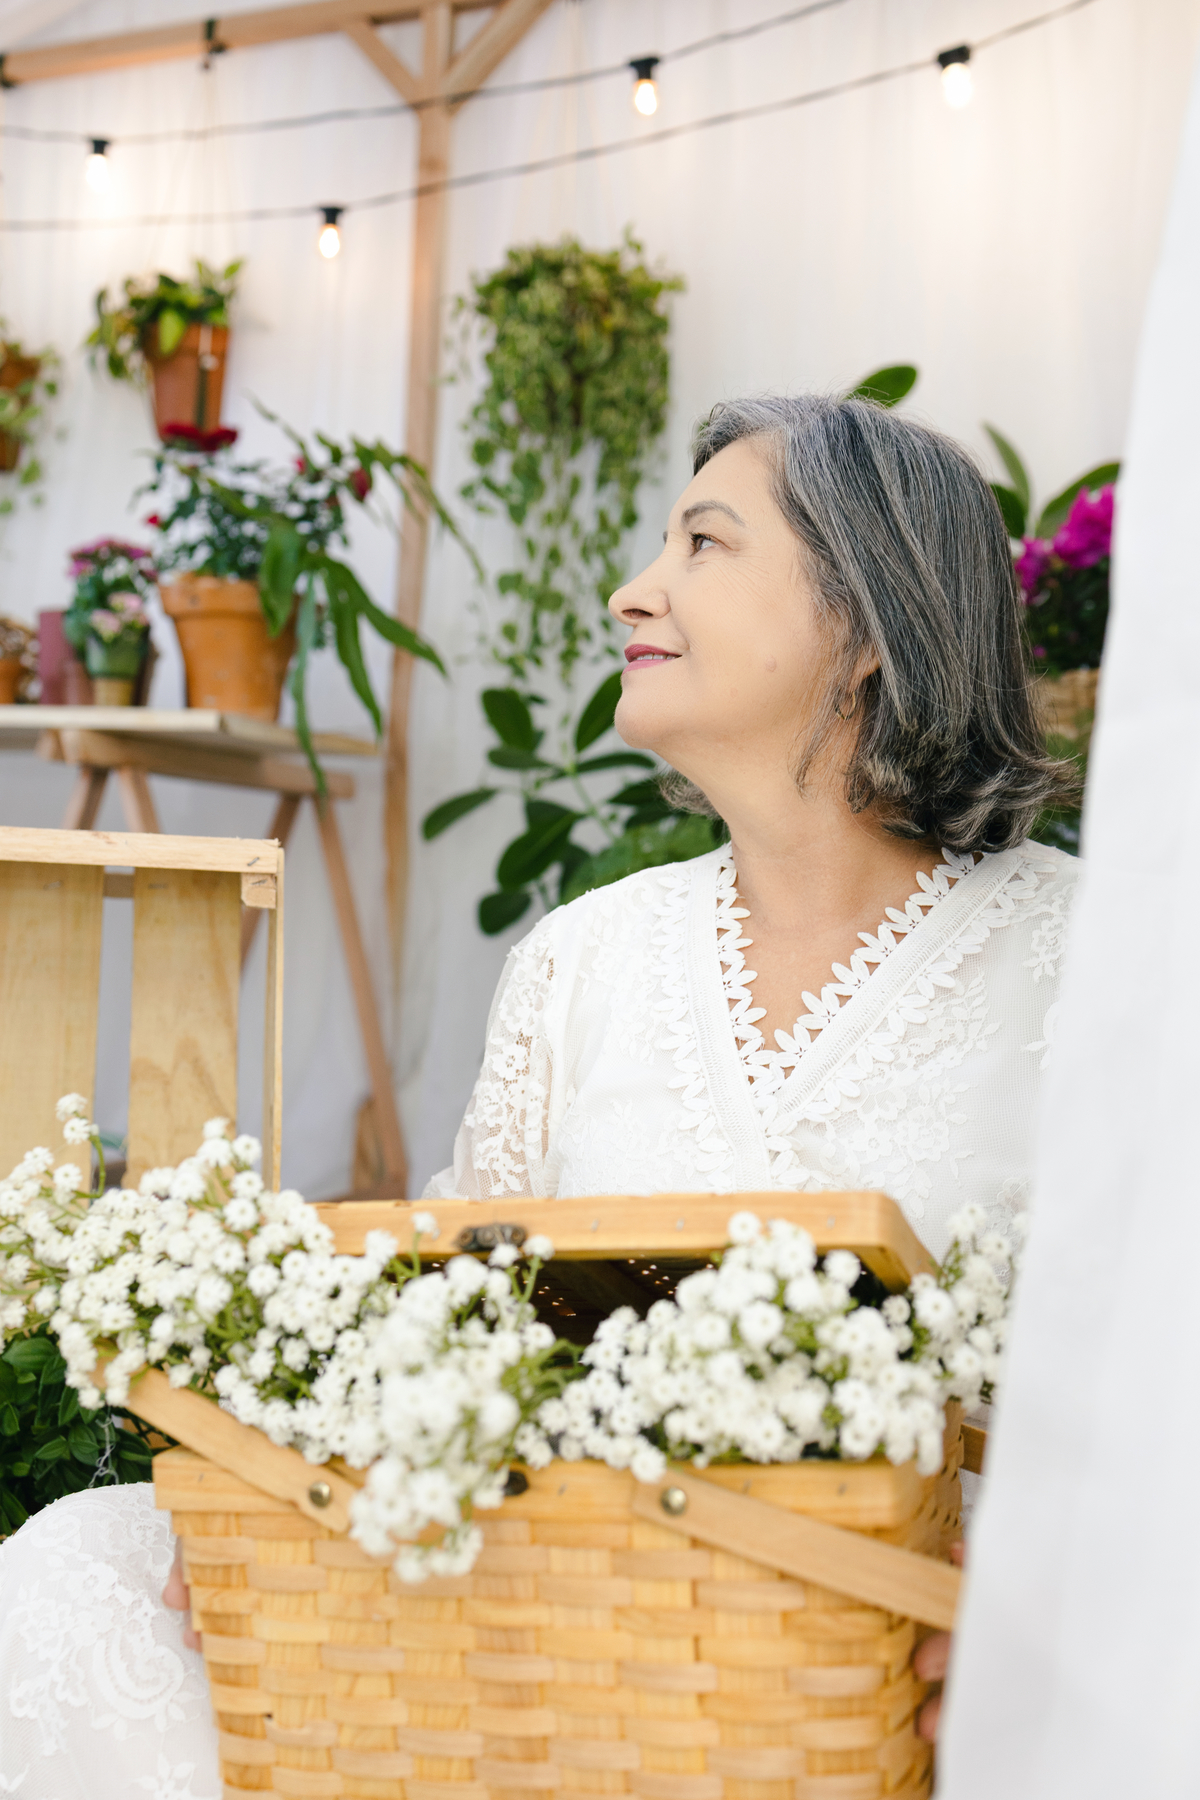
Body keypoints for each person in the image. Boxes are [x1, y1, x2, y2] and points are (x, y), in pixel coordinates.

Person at [0, 393, 1079, 1799]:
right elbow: (445, 1308)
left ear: (869, 620)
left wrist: (1054, 1583)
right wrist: (290, 1488)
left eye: (703, 543)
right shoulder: (583, 958)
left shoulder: (1094, 957)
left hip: (895, 1654)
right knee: (79, 1567)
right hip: (548, 1600)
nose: (637, 589)